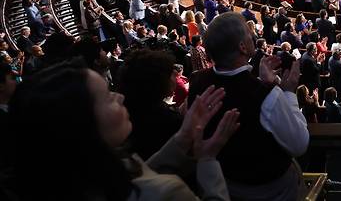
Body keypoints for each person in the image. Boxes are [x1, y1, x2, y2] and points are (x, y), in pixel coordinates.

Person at [8, 61, 238, 200]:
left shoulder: (71, 180)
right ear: (83, 126)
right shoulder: (167, 193)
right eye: (107, 97)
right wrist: (207, 160)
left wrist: (183, 137)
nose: (120, 96)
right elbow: (146, 186)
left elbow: (136, 174)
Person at [187, 12, 309, 200]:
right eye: (247, 32)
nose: (252, 35)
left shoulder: (197, 81)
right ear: (242, 47)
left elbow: (233, 95)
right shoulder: (264, 95)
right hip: (269, 192)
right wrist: (288, 93)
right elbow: (299, 143)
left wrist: (262, 81)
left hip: (222, 183)